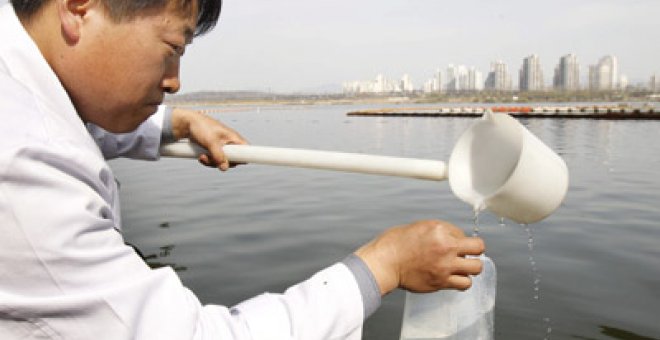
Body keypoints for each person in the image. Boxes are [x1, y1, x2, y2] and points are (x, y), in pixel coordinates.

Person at [0, 0, 485, 339]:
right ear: (80, 7)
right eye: (173, 47)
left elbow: (74, 127)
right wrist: (384, 265)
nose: (175, 81)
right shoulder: (24, 167)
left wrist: (177, 123)